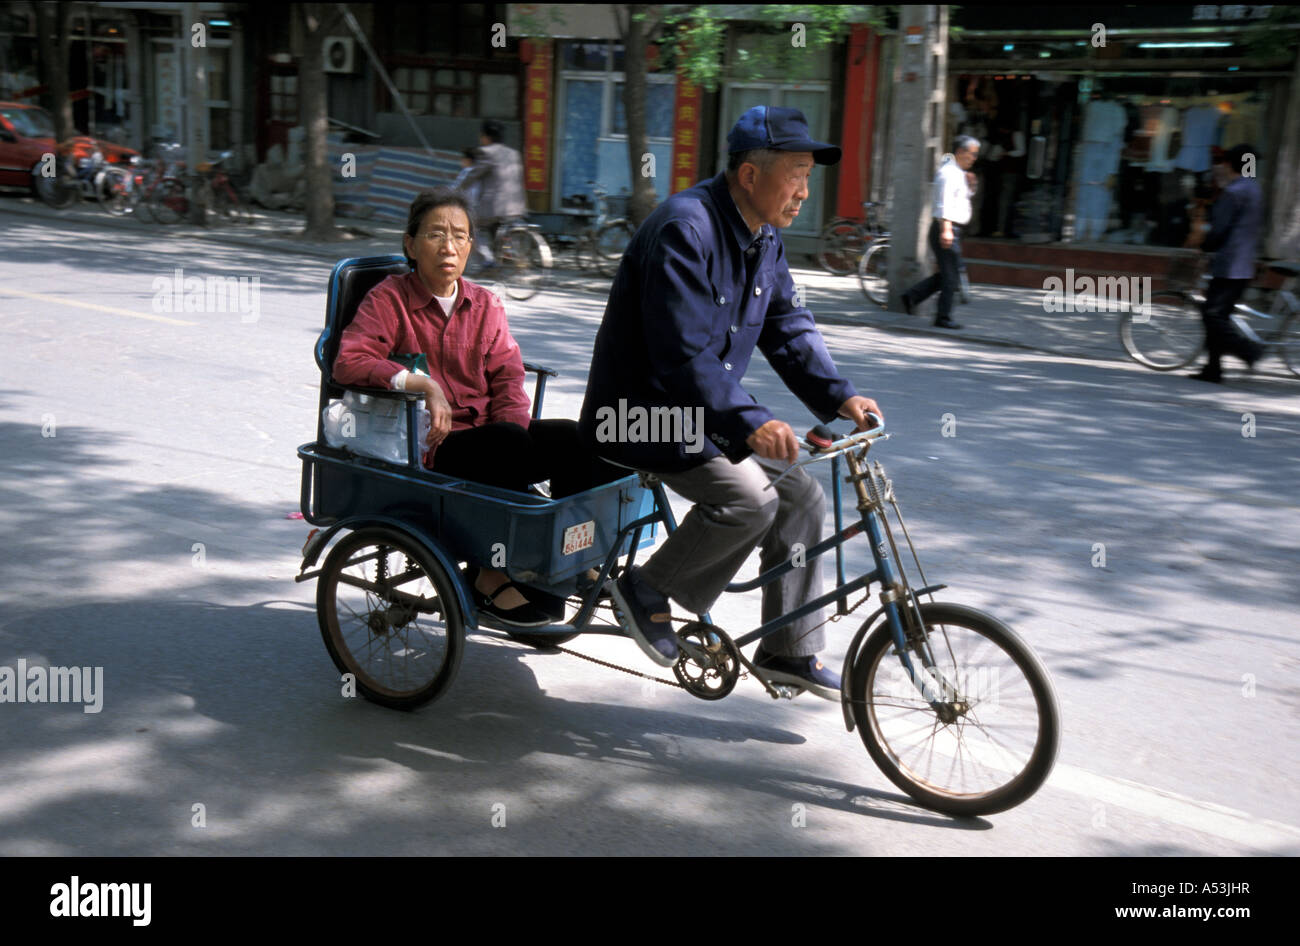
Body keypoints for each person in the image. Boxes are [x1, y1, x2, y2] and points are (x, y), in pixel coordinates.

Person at [578, 106, 883, 700]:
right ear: (749, 175)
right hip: (637, 417)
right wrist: (752, 421)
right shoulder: (684, 230)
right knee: (751, 499)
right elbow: (683, 358)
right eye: (794, 174)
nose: (803, 191)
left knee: (802, 493)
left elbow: (789, 328)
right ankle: (645, 590)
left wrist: (839, 395)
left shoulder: (765, 239)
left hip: (699, 417)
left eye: (807, 176)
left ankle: (789, 649)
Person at [333, 187, 620, 625]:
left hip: (494, 438)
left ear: (470, 246)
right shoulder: (389, 299)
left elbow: (508, 375)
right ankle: (488, 576)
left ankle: (571, 554)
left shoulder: (484, 303)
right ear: (410, 245)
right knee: (506, 443)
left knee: (574, 438)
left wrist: (517, 435)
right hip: (432, 444)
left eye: (460, 236)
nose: (448, 246)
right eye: (435, 234)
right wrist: (419, 382)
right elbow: (349, 361)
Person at [1190, 144, 1265, 383]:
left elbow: (1219, 229)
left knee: (1213, 315)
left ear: (1230, 164)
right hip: (1243, 263)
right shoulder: (1253, 188)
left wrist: (1204, 246)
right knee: (1215, 314)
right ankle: (1213, 368)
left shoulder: (1234, 192)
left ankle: (1248, 350)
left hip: (1230, 263)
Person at [901, 136, 979, 329]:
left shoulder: (958, 173)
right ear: (961, 152)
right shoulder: (948, 174)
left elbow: (960, 201)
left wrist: (972, 186)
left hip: (952, 228)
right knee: (951, 277)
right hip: (946, 227)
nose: (974, 158)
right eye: (973, 154)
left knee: (948, 273)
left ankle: (912, 296)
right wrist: (946, 230)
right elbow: (943, 204)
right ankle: (942, 317)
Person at [460, 119, 526, 272]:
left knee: (469, 226)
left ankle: (487, 262)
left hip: (494, 207)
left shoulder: (486, 153)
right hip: (516, 206)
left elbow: (473, 175)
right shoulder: (513, 153)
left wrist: (457, 189)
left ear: (486, 137)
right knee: (494, 229)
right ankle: (503, 258)